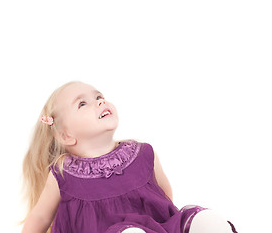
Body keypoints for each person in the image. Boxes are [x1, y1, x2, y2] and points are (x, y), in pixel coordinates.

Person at [20, 81, 238, 233]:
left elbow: (165, 196)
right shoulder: (63, 173)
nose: (99, 102)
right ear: (65, 135)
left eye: (99, 96)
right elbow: (40, 217)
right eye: (82, 103)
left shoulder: (143, 154)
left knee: (207, 221)